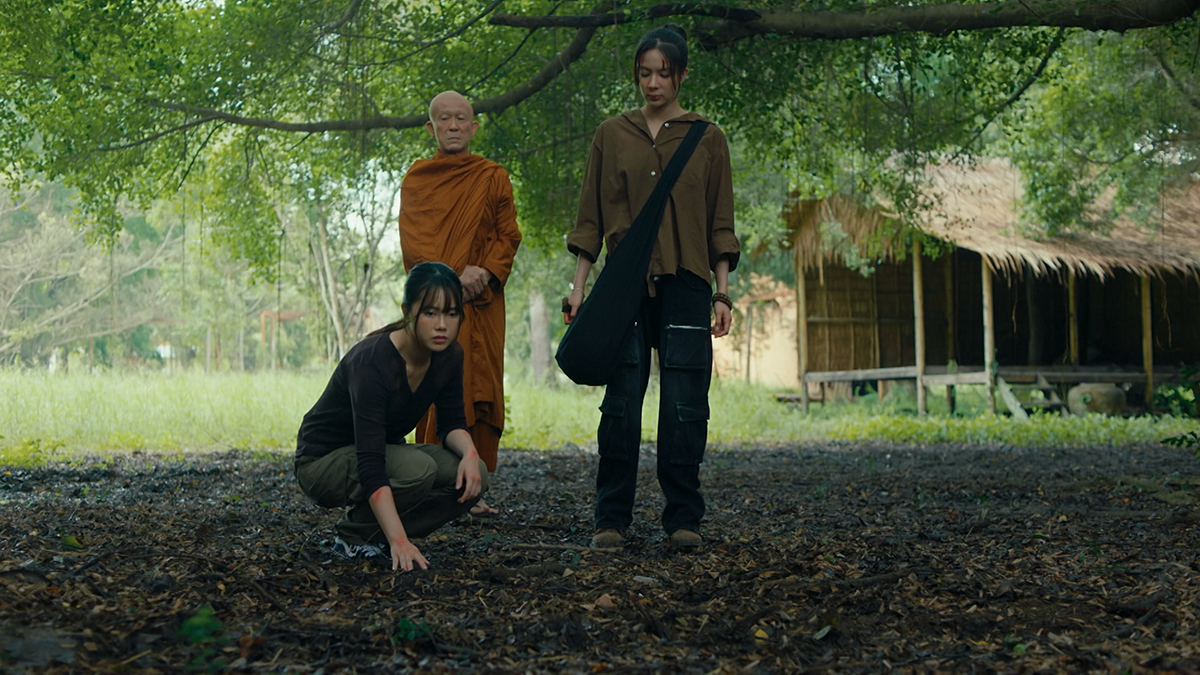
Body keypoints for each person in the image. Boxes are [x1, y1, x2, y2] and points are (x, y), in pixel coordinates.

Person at [564, 24, 738, 551]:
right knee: (620, 404)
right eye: (645, 73)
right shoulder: (611, 134)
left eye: (664, 73)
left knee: (685, 405)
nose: (654, 83)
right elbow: (590, 220)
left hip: (687, 284)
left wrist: (722, 293)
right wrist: (578, 288)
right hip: (626, 288)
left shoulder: (707, 137)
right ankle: (610, 519)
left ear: (681, 74)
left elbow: (720, 223)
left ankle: (684, 519)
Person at [295, 262, 488, 572]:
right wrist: (399, 540)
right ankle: (354, 536)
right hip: (322, 462)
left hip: (379, 453)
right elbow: (371, 465)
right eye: (430, 313)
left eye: (452, 314)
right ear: (407, 311)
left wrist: (470, 453)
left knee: (476, 473)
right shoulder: (372, 361)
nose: (442, 325)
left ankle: (378, 534)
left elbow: (451, 423)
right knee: (418, 469)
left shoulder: (450, 355)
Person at [398, 90, 522, 516]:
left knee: (478, 389)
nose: (453, 126)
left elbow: (508, 235)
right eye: (444, 119)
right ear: (430, 128)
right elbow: (415, 246)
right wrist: (453, 278)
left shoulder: (493, 177)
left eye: (461, 119)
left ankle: (475, 490)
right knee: (435, 386)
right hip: (435, 307)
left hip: (482, 304)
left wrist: (484, 271)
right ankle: (434, 485)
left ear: (474, 127)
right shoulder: (417, 180)